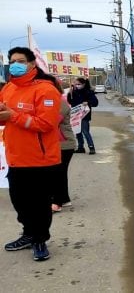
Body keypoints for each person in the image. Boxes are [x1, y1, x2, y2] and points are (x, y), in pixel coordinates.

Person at [0, 47, 62, 261]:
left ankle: (39, 240)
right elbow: (5, 118)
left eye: (20, 60)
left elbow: (46, 124)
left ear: (32, 64)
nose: (15, 63)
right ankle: (29, 234)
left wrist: (13, 115)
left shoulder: (46, 90)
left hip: (40, 160)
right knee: (20, 202)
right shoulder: (8, 88)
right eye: (12, 60)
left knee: (38, 205)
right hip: (16, 158)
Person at [53, 81, 76, 213]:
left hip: (64, 143)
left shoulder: (60, 102)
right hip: (60, 143)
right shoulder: (57, 101)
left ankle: (58, 201)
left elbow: (52, 121)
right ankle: (64, 198)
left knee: (58, 172)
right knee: (60, 172)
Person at [67, 77, 98, 155]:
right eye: (76, 84)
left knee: (85, 131)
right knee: (77, 131)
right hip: (76, 115)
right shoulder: (73, 92)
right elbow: (70, 102)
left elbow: (95, 103)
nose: (77, 86)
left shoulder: (88, 92)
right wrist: (69, 93)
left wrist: (87, 102)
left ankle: (91, 147)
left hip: (85, 115)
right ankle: (81, 147)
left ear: (83, 84)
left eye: (79, 84)